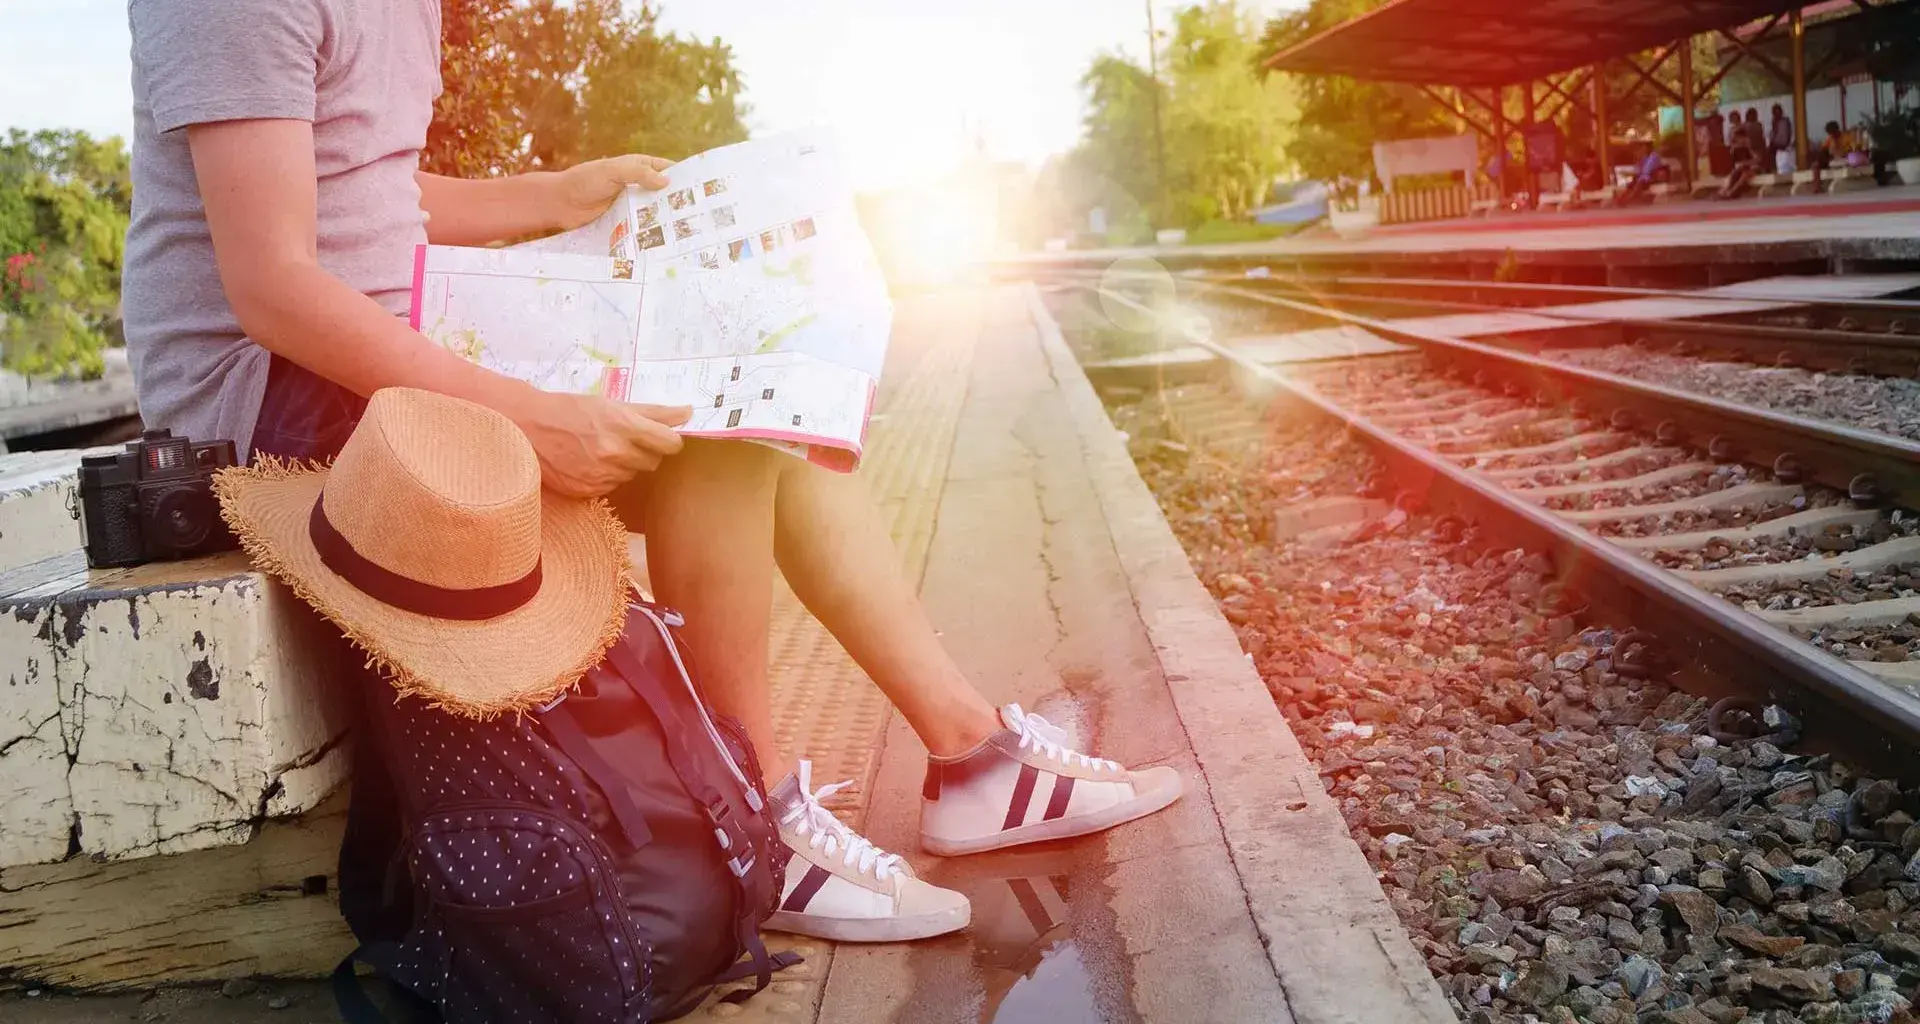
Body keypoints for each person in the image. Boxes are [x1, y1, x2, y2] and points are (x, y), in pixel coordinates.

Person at [124, 0, 1180, 944]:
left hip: (398, 327)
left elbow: (373, 192)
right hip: (271, 388)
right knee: (709, 440)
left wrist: (558, 195)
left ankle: (971, 757)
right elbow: (273, 285)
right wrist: (533, 416)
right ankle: (751, 823)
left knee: (769, 403)